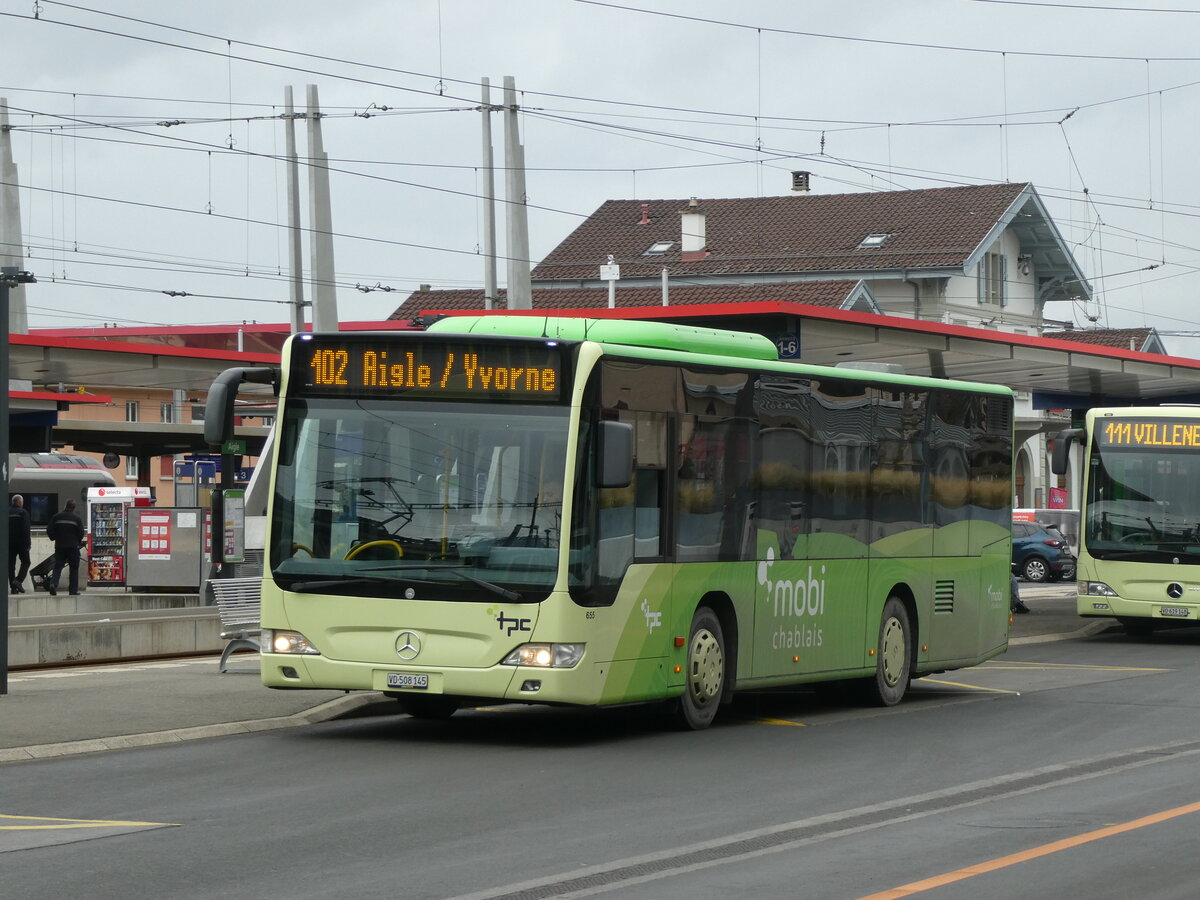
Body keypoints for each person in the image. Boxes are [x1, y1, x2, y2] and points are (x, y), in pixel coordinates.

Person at [47, 498, 86, 597]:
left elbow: (49, 529)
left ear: (65, 506)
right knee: (74, 568)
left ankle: (53, 584)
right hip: (73, 547)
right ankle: (73, 590)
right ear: (74, 508)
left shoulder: (56, 517)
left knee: (58, 566)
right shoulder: (77, 519)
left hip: (60, 546)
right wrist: (77, 540)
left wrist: (54, 537)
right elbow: (81, 532)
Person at [8, 494, 31, 593]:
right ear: (20, 502)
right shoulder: (23, 512)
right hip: (21, 543)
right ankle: (18, 581)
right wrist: (28, 544)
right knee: (26, 562)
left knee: (10, 565)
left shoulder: (6, 512)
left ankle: (13, 588)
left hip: (8, 543)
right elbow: (26, 530)